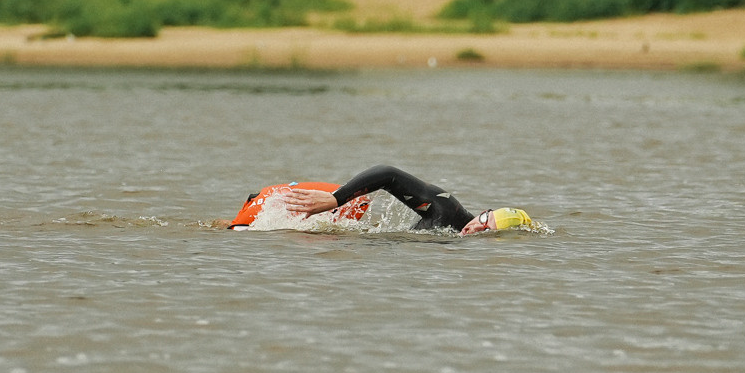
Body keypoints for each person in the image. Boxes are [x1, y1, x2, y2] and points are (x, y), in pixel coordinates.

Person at [229, 164, 536, 235]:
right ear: (483, 212)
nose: (477, 230)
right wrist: (334, 200)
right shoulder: (447, 209)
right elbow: (388, 174)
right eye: (484, 221)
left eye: (488, 232)